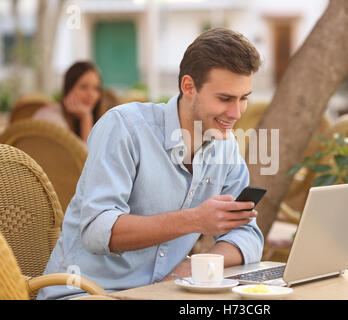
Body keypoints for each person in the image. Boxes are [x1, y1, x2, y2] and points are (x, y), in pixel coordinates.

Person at [37, 28, 264, 300]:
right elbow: (97, 230)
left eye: (244, 98)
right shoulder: (125, 127)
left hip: (165, 293)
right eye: (225, 99)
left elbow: (247, 234)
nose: (236, 113)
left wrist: (190, 267)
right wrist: (194, 220)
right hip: (86, 293)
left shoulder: (226, 148)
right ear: (188, 87)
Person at [32, 61, 103, 142]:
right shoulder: (51, 119)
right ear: (69, 89)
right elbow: (90, 154)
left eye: (96, 88)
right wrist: (86, 118)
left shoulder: (101, 120)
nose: (91, 94)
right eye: (84, 87)